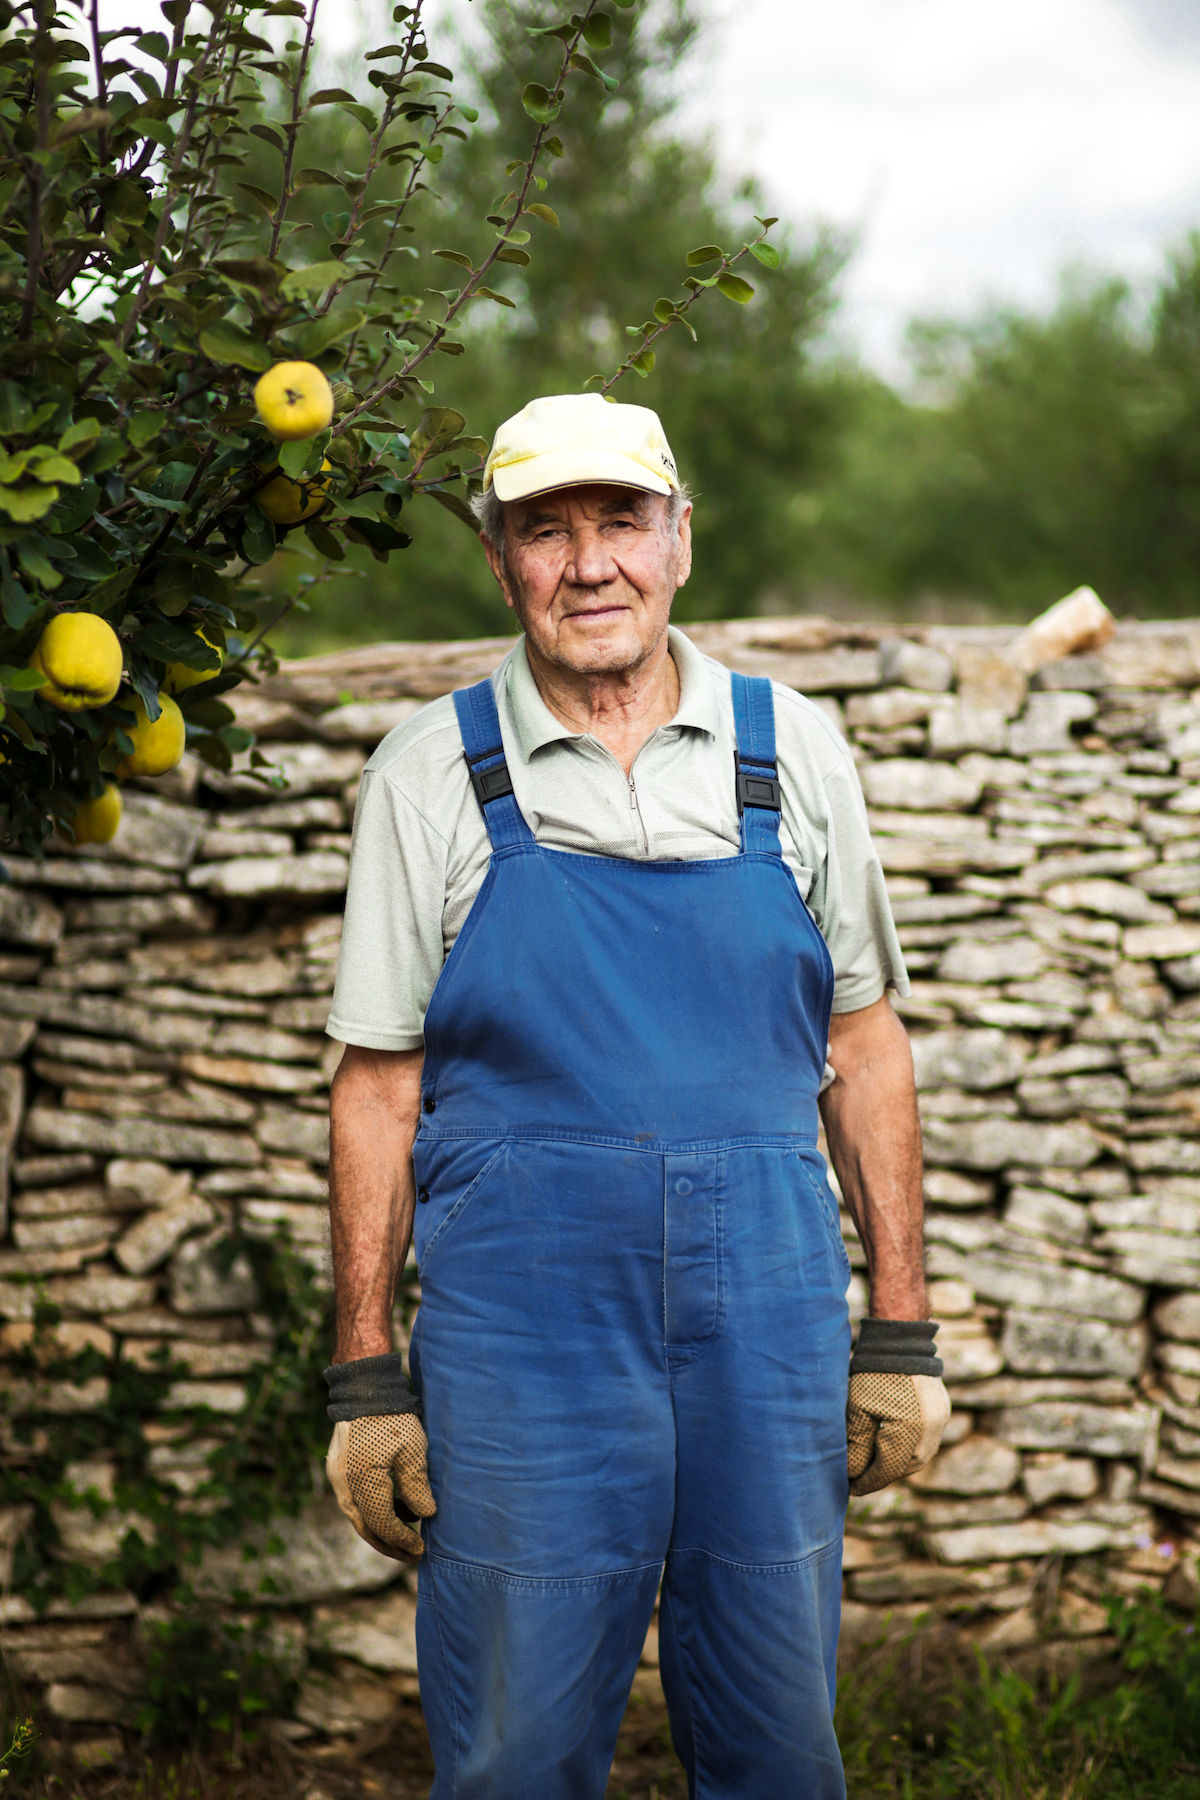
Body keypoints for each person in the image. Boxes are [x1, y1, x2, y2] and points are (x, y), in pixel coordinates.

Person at [322, 393, 950, 1799]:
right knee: (517, 1749)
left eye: (619, 521)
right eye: (545, 530)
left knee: (778, 1741)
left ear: (679, 541)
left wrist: (901, 1330)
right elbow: (377, 1086)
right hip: (524, 1337)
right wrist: (366, 1374)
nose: (587, 562)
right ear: (500, 564)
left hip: (768, 1328)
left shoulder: (792, 751)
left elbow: (867, 1044)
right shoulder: (430, 774)